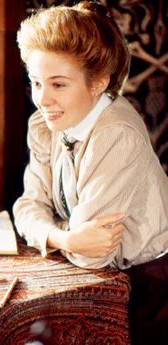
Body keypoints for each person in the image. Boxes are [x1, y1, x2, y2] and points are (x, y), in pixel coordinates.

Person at [13, 1, 168, 344]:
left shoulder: (116, 134)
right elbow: (26, 208)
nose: (42, 99)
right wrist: (64, 237)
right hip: (106, 279)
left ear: (99, 82)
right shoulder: (44, 125)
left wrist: (55, 232)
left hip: (152, 287)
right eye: (36, 82)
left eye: (58, 85)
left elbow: (92, 254)